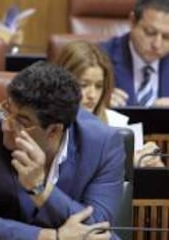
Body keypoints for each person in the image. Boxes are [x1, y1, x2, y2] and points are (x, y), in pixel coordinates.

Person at [0, 61, 125, 240]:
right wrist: (52, 239)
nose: (5, 125)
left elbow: (97, 230)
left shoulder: (104, 145)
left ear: (54, 131)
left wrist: (41, 190)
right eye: (6, 109)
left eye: (22, 120)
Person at [55, 40, 164, 168]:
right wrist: (126, 163)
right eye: (83, 85)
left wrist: (152, 164)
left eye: (99, 86)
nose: (92, 95)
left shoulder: (117, 124)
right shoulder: (49, 126)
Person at [100, 0, 169, 107]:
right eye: (150, 32)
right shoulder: (100, 58)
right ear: (132, 22)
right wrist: (99, 103)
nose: (157, 45)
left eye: (166, 37)